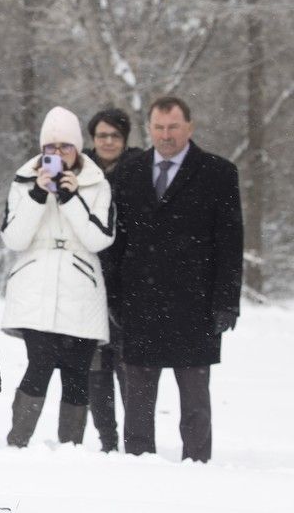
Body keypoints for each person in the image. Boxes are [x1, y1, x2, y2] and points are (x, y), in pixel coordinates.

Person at [107, 96, 243, 463]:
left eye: (173, 127)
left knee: (195, 403)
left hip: (195, 307)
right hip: (140, 305)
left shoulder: (218, 173)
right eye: (159, 127)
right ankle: (137, 467)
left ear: (190, 127)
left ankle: (197, 469)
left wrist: (227, 302)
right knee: (137, 403)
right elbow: (116, 242)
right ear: (149, 128)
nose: (165, 135)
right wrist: (113, 298)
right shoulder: (129, 171)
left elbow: (231, 243)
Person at [0, 107, 115, 449]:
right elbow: (14, 238)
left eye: (65, 147)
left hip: (80, 287)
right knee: (40, 363)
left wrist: (71, 197)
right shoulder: (24, 180)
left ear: (78, 148)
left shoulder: (96, 183)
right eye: (51, 148)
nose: (58, 155)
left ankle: (70, 447)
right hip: (35, 283)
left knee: (77, 371)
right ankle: (18, 440)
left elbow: (99, 239)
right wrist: (38, 194)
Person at [82, 107, 141, 452]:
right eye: (101, 135)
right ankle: (107, 438)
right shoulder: (81, 170)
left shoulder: (138, 168)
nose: (107, 141)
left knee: (128, 364)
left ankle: (134, 438)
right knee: (95, 366)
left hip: (130, 281)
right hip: (89, 279)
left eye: (114, 136)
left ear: (124, 139)